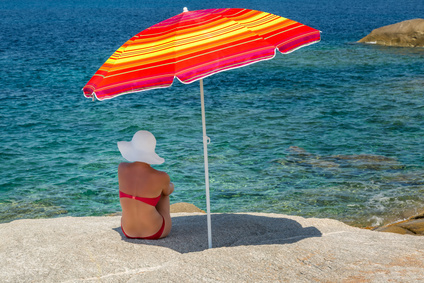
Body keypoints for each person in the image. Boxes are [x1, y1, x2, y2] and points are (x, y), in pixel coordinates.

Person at [117, 130, 174, 239]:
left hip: (128, 231)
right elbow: (168, 191)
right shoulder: (161, 176)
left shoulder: (121, 168)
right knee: (164, 193)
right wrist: (170, 185)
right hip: (156, 231)